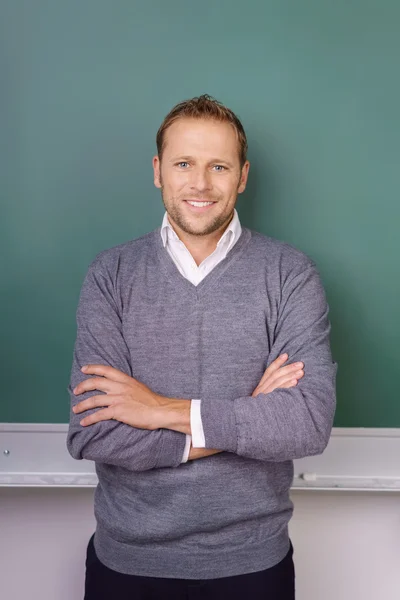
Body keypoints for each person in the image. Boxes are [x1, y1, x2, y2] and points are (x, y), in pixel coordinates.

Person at [67, 94, 337, 599]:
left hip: (254, 563)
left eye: (218, 166)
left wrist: (160, 410)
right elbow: (94, 435)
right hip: (127, 563)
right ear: (158, 170)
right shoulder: (111, 275)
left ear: (243, 175)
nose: (200, 183)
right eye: (184, 164)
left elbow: (306, 423)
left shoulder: (290, 275)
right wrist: (251, 416)